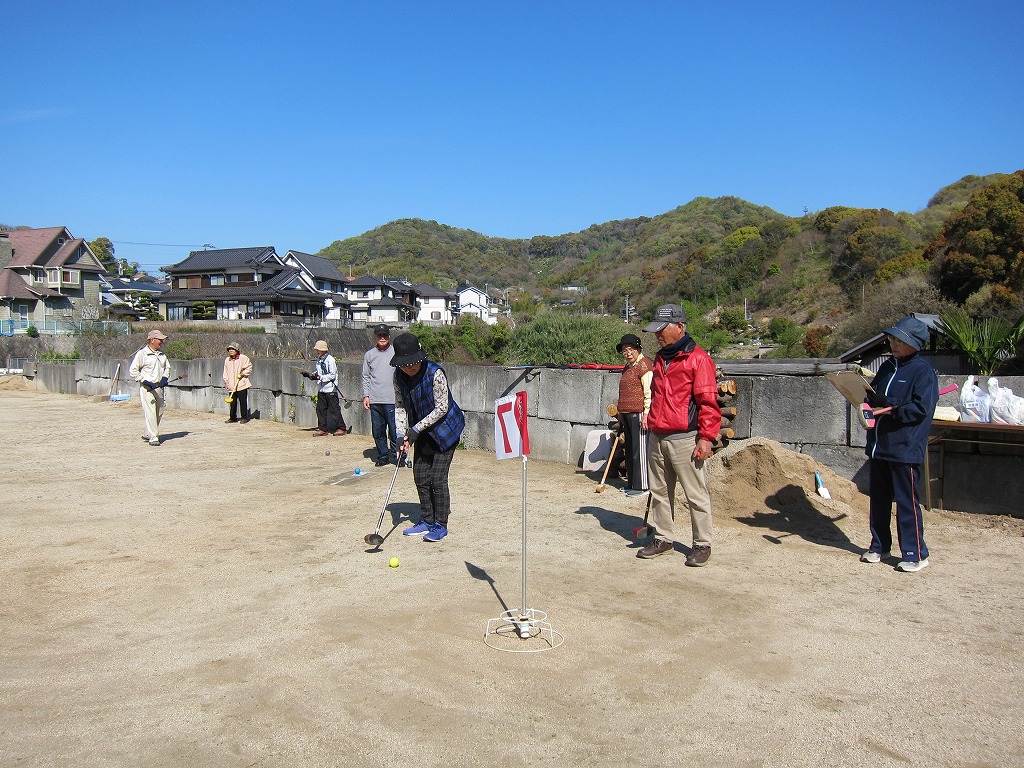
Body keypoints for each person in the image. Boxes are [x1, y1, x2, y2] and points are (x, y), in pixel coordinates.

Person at [636, 304, 721, 566]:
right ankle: (663, 538)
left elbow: (708, 402)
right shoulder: (661, 358)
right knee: (660, 492)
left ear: (680, 327)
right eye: (655, 331)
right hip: (657, 435)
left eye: (662, 330)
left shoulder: (699, 359)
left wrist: (706, 437)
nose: (657, 335)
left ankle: (702, 544)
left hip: (685, 438)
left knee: (695, 494)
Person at [861, 316, 938, 573]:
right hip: (879, 445)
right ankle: (879, 545)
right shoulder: (886, 367)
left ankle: (915, 553)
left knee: (906, 502)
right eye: (892, 339)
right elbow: (872, 396)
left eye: (899, 340)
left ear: (914, 344)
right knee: (879, 500)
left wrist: (891, 406)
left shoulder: (923, 372)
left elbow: (921, 409)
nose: (893, 344)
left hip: (905, 447)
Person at [391, 333, 465, 543]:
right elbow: (400, 406)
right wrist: (399, 435)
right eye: (404, 365)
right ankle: (426, 519)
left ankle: (440, 523)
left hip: (445, 431)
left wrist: (414, 429)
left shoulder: (435, 373)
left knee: (437, 478)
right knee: (421, 476)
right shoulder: (398, 376)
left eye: (412, 364)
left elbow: (442, 407)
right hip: (420, 431)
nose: (409, 368)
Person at [615, 333, 653, 497]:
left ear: (638, 349)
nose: (628, 352)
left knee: (640, 450)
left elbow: (649, 392)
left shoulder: (645, 366)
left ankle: (643, 486)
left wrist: (646, 414)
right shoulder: (628, 367)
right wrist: (621, 413)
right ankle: (632, 483)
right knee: (630, 450)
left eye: (631, 349)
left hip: (639, 414)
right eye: (624, 350)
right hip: (627, 413)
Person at [362, 324, 399, 467]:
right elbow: (366, 376)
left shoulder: (396, 353)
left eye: (384, 335)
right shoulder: (369, 355)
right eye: (379, 335)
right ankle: (383, 455)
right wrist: (366, 396)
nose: (382, 338)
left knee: (395, 430)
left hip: (392, 399)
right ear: (375, 337)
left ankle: (397, 456)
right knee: (378, 430)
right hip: (375, 399)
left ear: (389, 336)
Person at [129, 329, 172, 447]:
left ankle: (149, 432)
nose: (162, 342)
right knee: (150, 412)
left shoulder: (162, 355)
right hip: (147, 388)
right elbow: (133, 370)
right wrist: (144, 380)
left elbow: (167, 368)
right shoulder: (142, 354)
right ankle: (154, 437)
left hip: (159, 387)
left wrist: (164, 378)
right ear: (152, 340)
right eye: (160, 340)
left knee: (160, 411)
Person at [300, 339, 347, 436]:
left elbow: (332, 375)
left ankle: (342, 428)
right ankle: (323, 429)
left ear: (323, 350)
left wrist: (319, 377)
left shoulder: (331, 360)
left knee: (334, 410)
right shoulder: (318, 360)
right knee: (320, 409)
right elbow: (319, 372)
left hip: (331, 389)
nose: (316, 351)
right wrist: (310, 375)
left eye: (318, 349)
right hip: (322, 388)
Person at [222, 342, 254, 424]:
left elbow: (249, 367)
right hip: (231, 384)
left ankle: (244, 417)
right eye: (229, 349)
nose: (231, 351)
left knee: (242, 401)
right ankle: (232, 417)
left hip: (241, 383)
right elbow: (225, 372)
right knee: (232, 402)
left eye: (232, 349)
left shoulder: (243, 358)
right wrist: (226, 382)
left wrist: (243, 374)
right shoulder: (227, 360)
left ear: (237, 350)